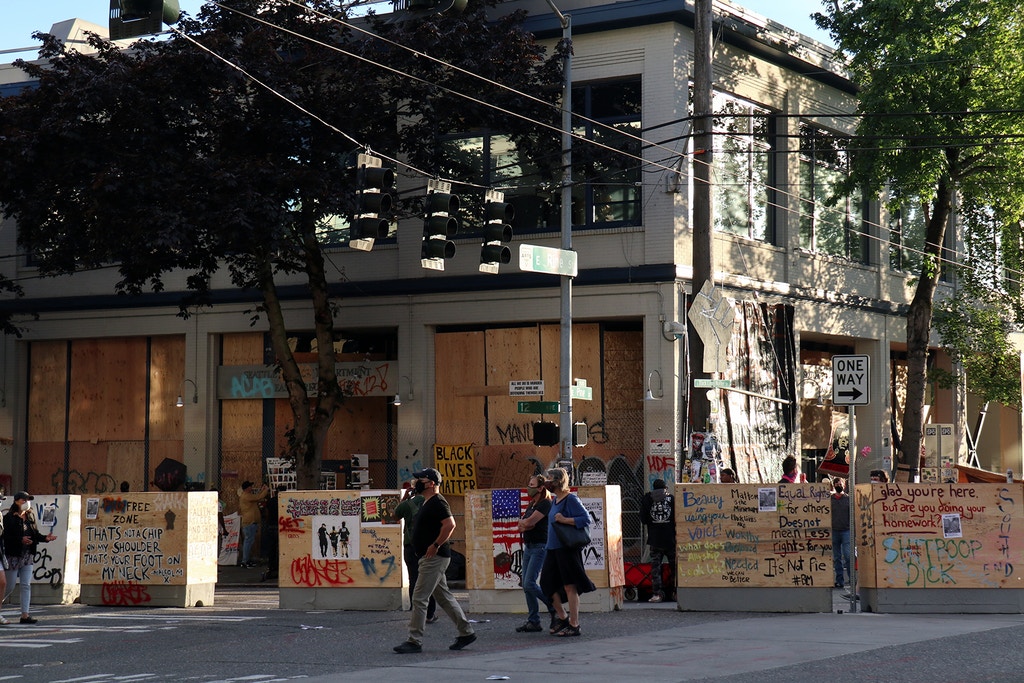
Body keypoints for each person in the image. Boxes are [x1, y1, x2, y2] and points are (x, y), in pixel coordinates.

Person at [393, 468, 476, 654]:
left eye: (420, 480)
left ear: (431, 483)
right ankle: (466, 632)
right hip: (429, 556)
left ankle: (414, 640)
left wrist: (436, 545)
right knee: (444, 597)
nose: (416, 483)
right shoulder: (426, 501)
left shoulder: (438, 502)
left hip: (434, 557)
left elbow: (450, 524)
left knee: (419, 597)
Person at [539, 467, 595, 637]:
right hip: (553, 548)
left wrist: (565, 520)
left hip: (566, 548)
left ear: (557, 481)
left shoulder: (570, 499)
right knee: (546, 584)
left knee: (570, 586)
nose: (547, 482)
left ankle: (574, 623)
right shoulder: (555, 500)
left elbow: (586, 518)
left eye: (549, 479)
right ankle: (562, 616)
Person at [2, 492, 56, 624]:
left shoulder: (30, 515)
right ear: (16, 501)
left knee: (26, 584)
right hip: (14, 554)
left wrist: (45, 539)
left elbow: (34, 533)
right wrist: (20, 539)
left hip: (28, 554)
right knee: (9, 585)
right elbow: (6, 537)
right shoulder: (9, 517)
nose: (26, 502)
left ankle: (25, 615)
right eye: (23, 500)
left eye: (28, 500)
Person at [515, 473, 555, 632]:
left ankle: (553, 606)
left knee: (529, 583)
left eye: (531, 485)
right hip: (529, 545)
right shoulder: (532, 504)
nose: (528, 488)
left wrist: (525, 524)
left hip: (539, 545)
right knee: (526, 584)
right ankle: (534, 620)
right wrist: (525, 524)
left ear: (540, 488)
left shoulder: (545, 503)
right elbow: (523, 525)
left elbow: (529, 522)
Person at [393, 482, 437, 624]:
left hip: (411, 547)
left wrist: (405, 497)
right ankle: (430, 614)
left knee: (414, 579)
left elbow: (395, 516)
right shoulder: (431, 503)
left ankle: (416, 612)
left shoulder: (407, 505)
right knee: (430, 580)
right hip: (428, 546)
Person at [640, 478, 675, 603]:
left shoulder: (647, 499)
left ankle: (657, 594)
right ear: (665, 487)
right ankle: (676, 592)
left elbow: (643, 519)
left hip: (655, 538)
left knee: (656, 568)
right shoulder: (672, 498)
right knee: (674, 566)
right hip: (671, 538)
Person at [237, 481, 269, 568]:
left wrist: (261, 490)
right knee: (248, 541)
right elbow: (258, 497)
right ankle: (244, 561)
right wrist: (265, 490)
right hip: (249, 522)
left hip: (251, 521)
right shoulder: (246, 496)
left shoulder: (248, 496)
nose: (251, 488)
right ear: (247, 488)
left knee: (250, 542)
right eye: (250, 487)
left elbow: (256, 497)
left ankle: (247, 560)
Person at [830, 478, 851, 589]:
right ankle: (839, 581)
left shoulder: (848, 499)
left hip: (846, 530)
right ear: (834, 485)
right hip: (834, 530)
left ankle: (852, 580)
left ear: (844, 485)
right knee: (837, 557)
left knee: (848, 556)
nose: (839, 485)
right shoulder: (831, 499)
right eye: (837, 484)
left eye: (840, 483)